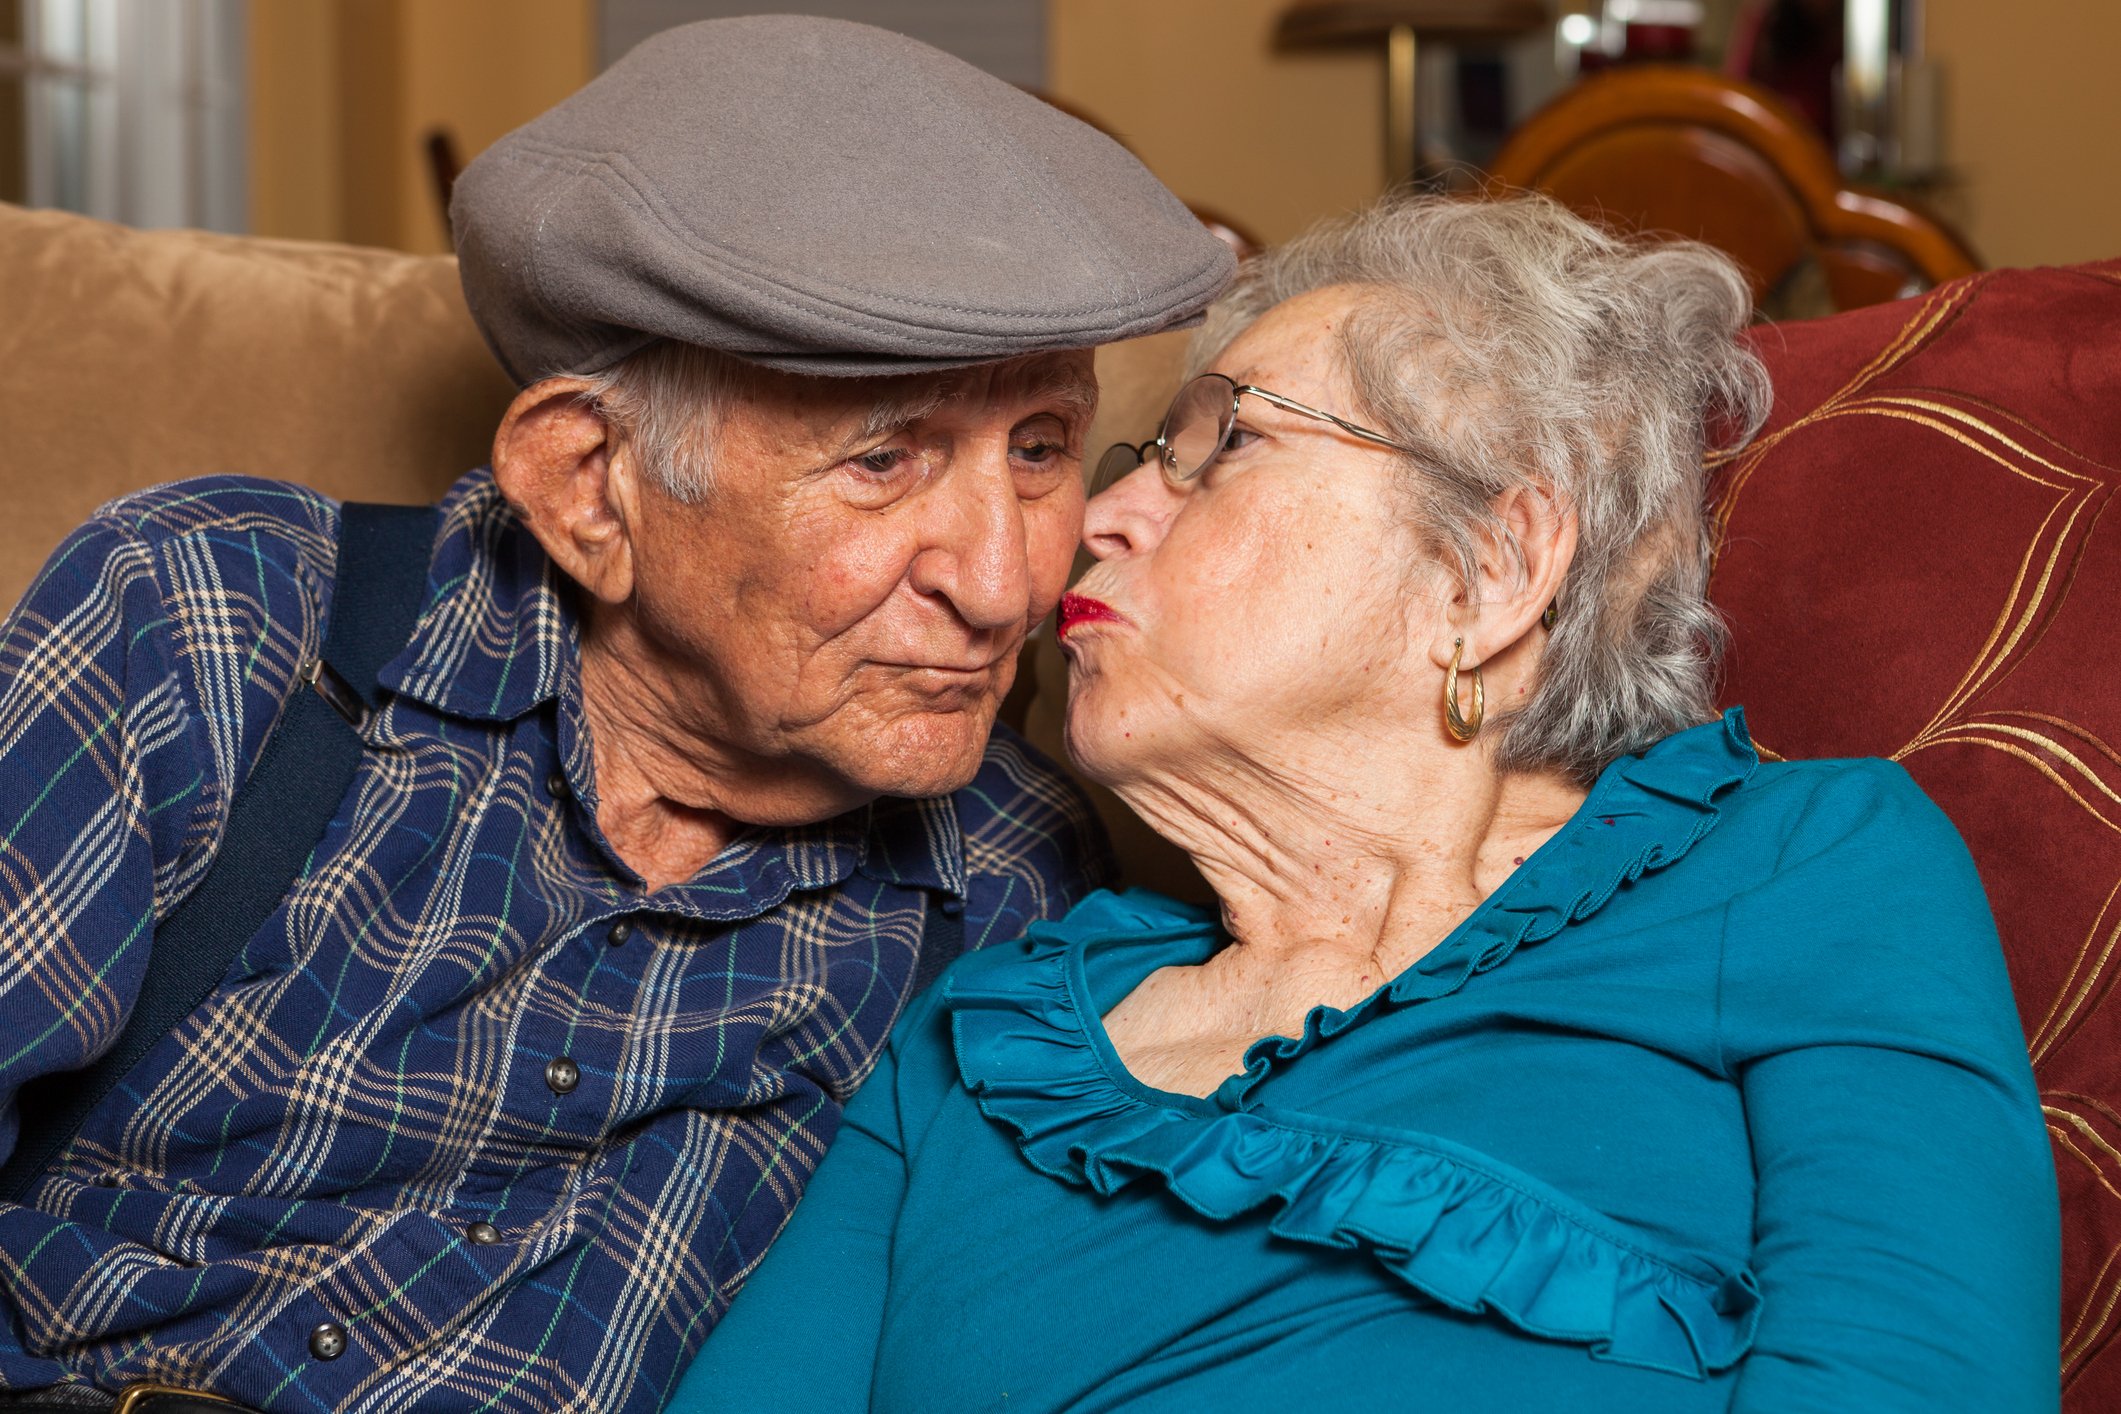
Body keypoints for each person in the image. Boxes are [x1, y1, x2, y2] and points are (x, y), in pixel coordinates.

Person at [0, 17, 1233, 1413]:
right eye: (884, 458)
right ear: (591, 486)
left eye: (1041, 448)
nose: (1006, 582)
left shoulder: (1011, 883)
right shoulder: (220, 623)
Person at [673, 194, 2061, 1412]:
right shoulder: (989, 1037)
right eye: (1129, 465)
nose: (1095, 522)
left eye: (1215, 447)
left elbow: (1912, 1369)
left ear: (1490, 567)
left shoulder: (1793, 866)